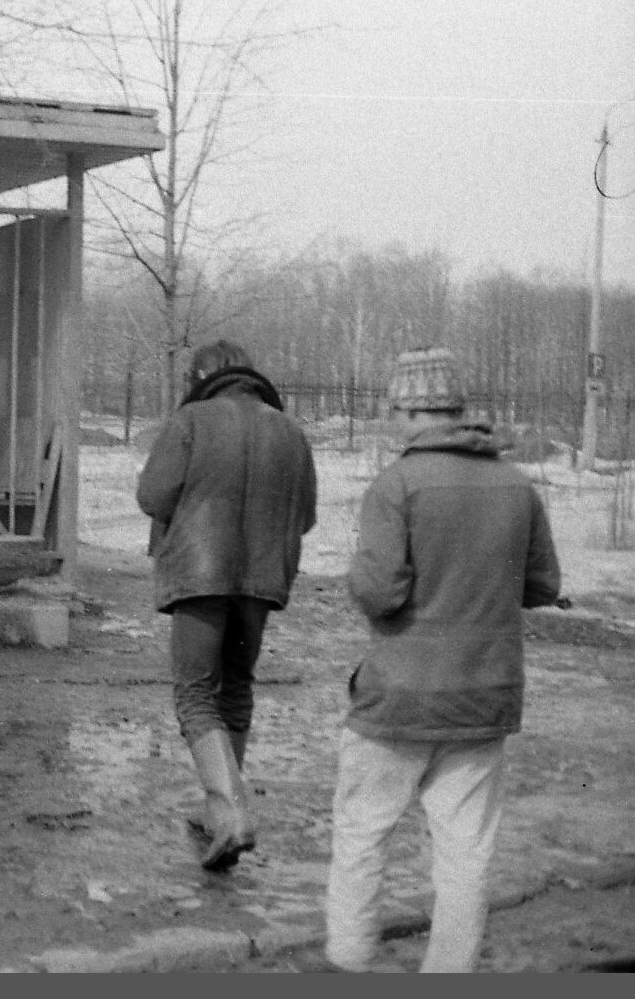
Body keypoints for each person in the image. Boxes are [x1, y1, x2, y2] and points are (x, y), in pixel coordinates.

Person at [324, 347, 561, 973]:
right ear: (457, 411)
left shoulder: (396, 485)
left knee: (361, 835)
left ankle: (347, 965)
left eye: (392, 411)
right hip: (485, 696)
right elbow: (540, 587)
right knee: (466, 851)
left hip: (398, 696)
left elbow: (379, 592)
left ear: (407, 410)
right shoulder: (517, 484)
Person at [136, 339, 317, 871]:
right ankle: (218, 810)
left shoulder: (190, 420)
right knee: (236, 688)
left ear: (201, 377)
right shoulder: (292, 431)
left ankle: (231, 812)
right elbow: (304, 516)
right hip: (261, 581)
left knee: (194, 694)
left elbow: (152, 497)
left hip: (198, 576)